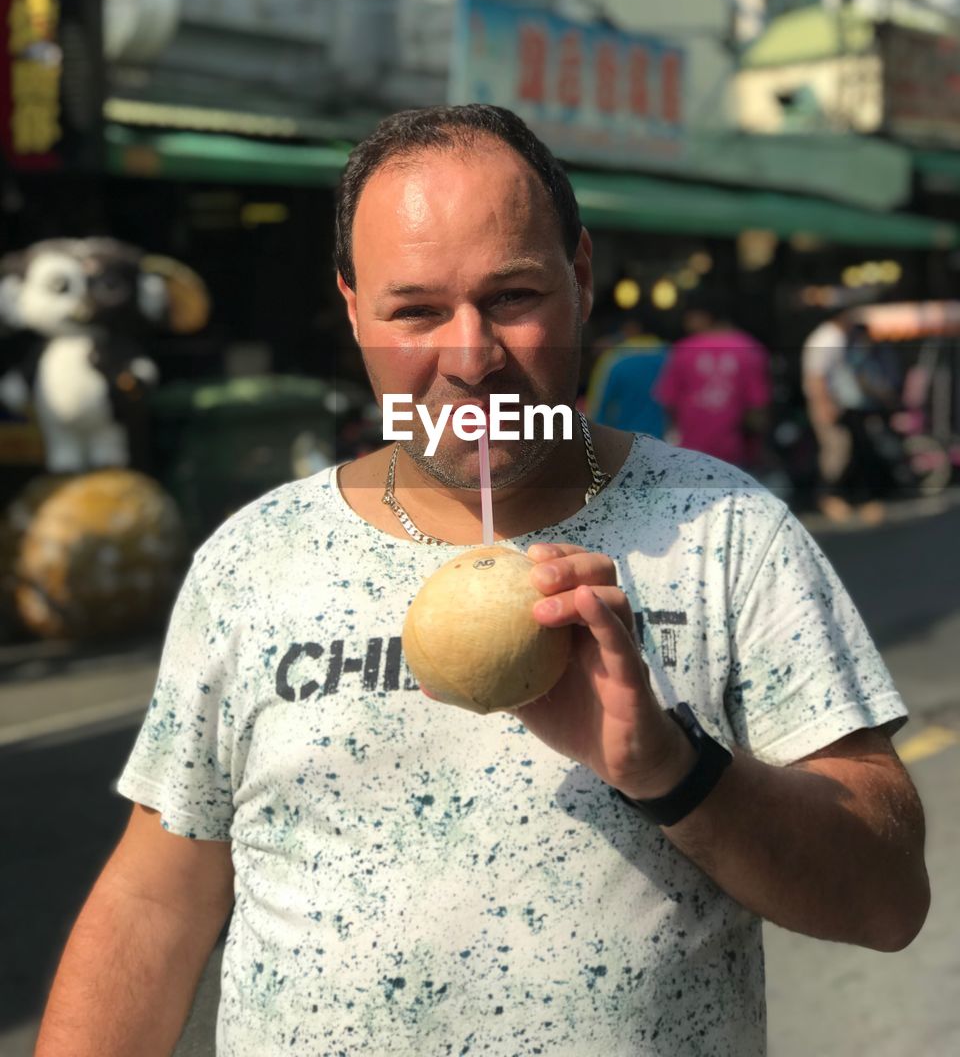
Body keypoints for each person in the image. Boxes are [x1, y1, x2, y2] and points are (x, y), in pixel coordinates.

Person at [36, 105, 928, 1057]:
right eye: (415, 310)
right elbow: (154, 905)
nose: (471, 359)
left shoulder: (724, 533)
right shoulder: (256, 561)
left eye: (511, 297)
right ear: (352, 308)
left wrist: (675, 771)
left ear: (580, 277)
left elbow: (886, 897)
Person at [654, 287, 772, 470]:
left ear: (703, 316)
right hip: (736, 459)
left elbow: (668, 404)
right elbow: (758, 410)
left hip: (690, 456)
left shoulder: (683, 350)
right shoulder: (751, 349)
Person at [802, 309, 899, 523]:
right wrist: (823, 405)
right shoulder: (827, 338)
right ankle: (827, 496)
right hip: (830, 405)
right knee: (837, 451)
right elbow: (815, 376)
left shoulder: (841, 337)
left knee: (854, 450)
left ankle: (852, 498)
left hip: (845, 405)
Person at [585, 314, 669, 437]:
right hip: (664, 444)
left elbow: (598, 407)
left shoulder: (613, 359)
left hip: (624, 443)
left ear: (631, 328)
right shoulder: (671, 357)